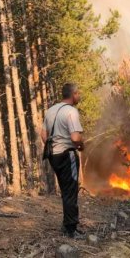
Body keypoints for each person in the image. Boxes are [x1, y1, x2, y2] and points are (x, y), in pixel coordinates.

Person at [41, 83, 85, 239]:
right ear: (73, 94)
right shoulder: (71, 111)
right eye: (78, 93)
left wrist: (55, 146)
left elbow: (43, 135)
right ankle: (71, 229)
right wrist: (81, 144)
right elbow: (75, 137)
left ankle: (67, 224)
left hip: (54, 156)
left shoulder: (50, 110)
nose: (79, 96)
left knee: (65, 190)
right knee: (71, 190)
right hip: (68, 155)